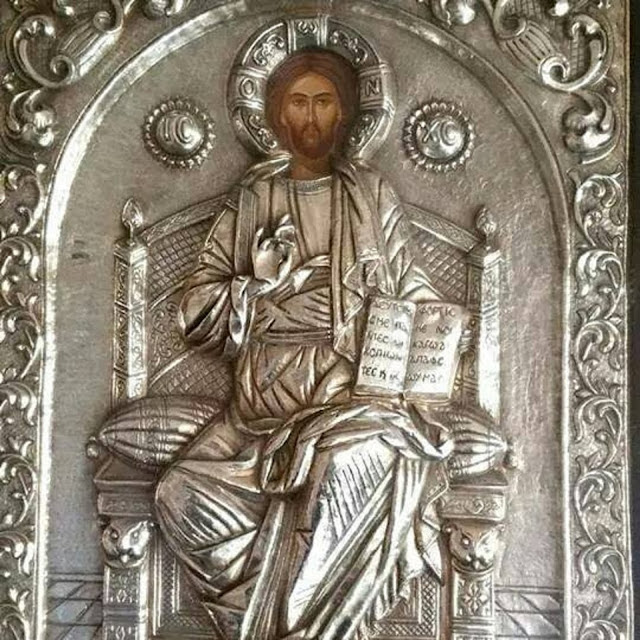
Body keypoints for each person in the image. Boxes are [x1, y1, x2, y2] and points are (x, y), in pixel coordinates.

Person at [155, 50, 455, 640]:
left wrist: (437, 333)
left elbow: (410, 287)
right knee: (176, 493)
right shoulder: (252, 198)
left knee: (342, 471)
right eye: (298, 102)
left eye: (323, 102)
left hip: (350, 403)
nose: (311, 117)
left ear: (344, 113)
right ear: (276, 115)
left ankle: (308, 629)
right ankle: (257, 620)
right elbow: (194, 310)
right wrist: (260, 288)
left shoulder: (370, 193)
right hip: (256, 417)